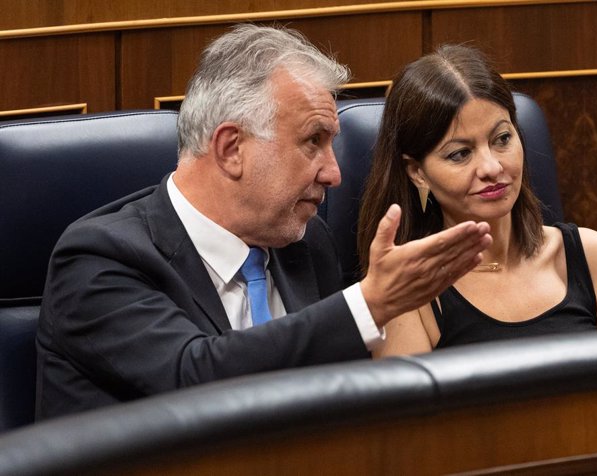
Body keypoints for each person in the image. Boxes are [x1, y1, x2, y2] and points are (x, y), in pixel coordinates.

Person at [35, 25, 492, 419]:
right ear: (231, 148)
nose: (333, 173)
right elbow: (195, 378)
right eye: (313, 141)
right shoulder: (98, 259)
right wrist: (367, 305)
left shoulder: (307, 242)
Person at [356, 44, 597, 358]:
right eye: (459, 154)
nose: (492, 167)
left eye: (502, 139)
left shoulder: (592, 257)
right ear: (418, 173)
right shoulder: (407, 294)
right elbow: (411, 408)